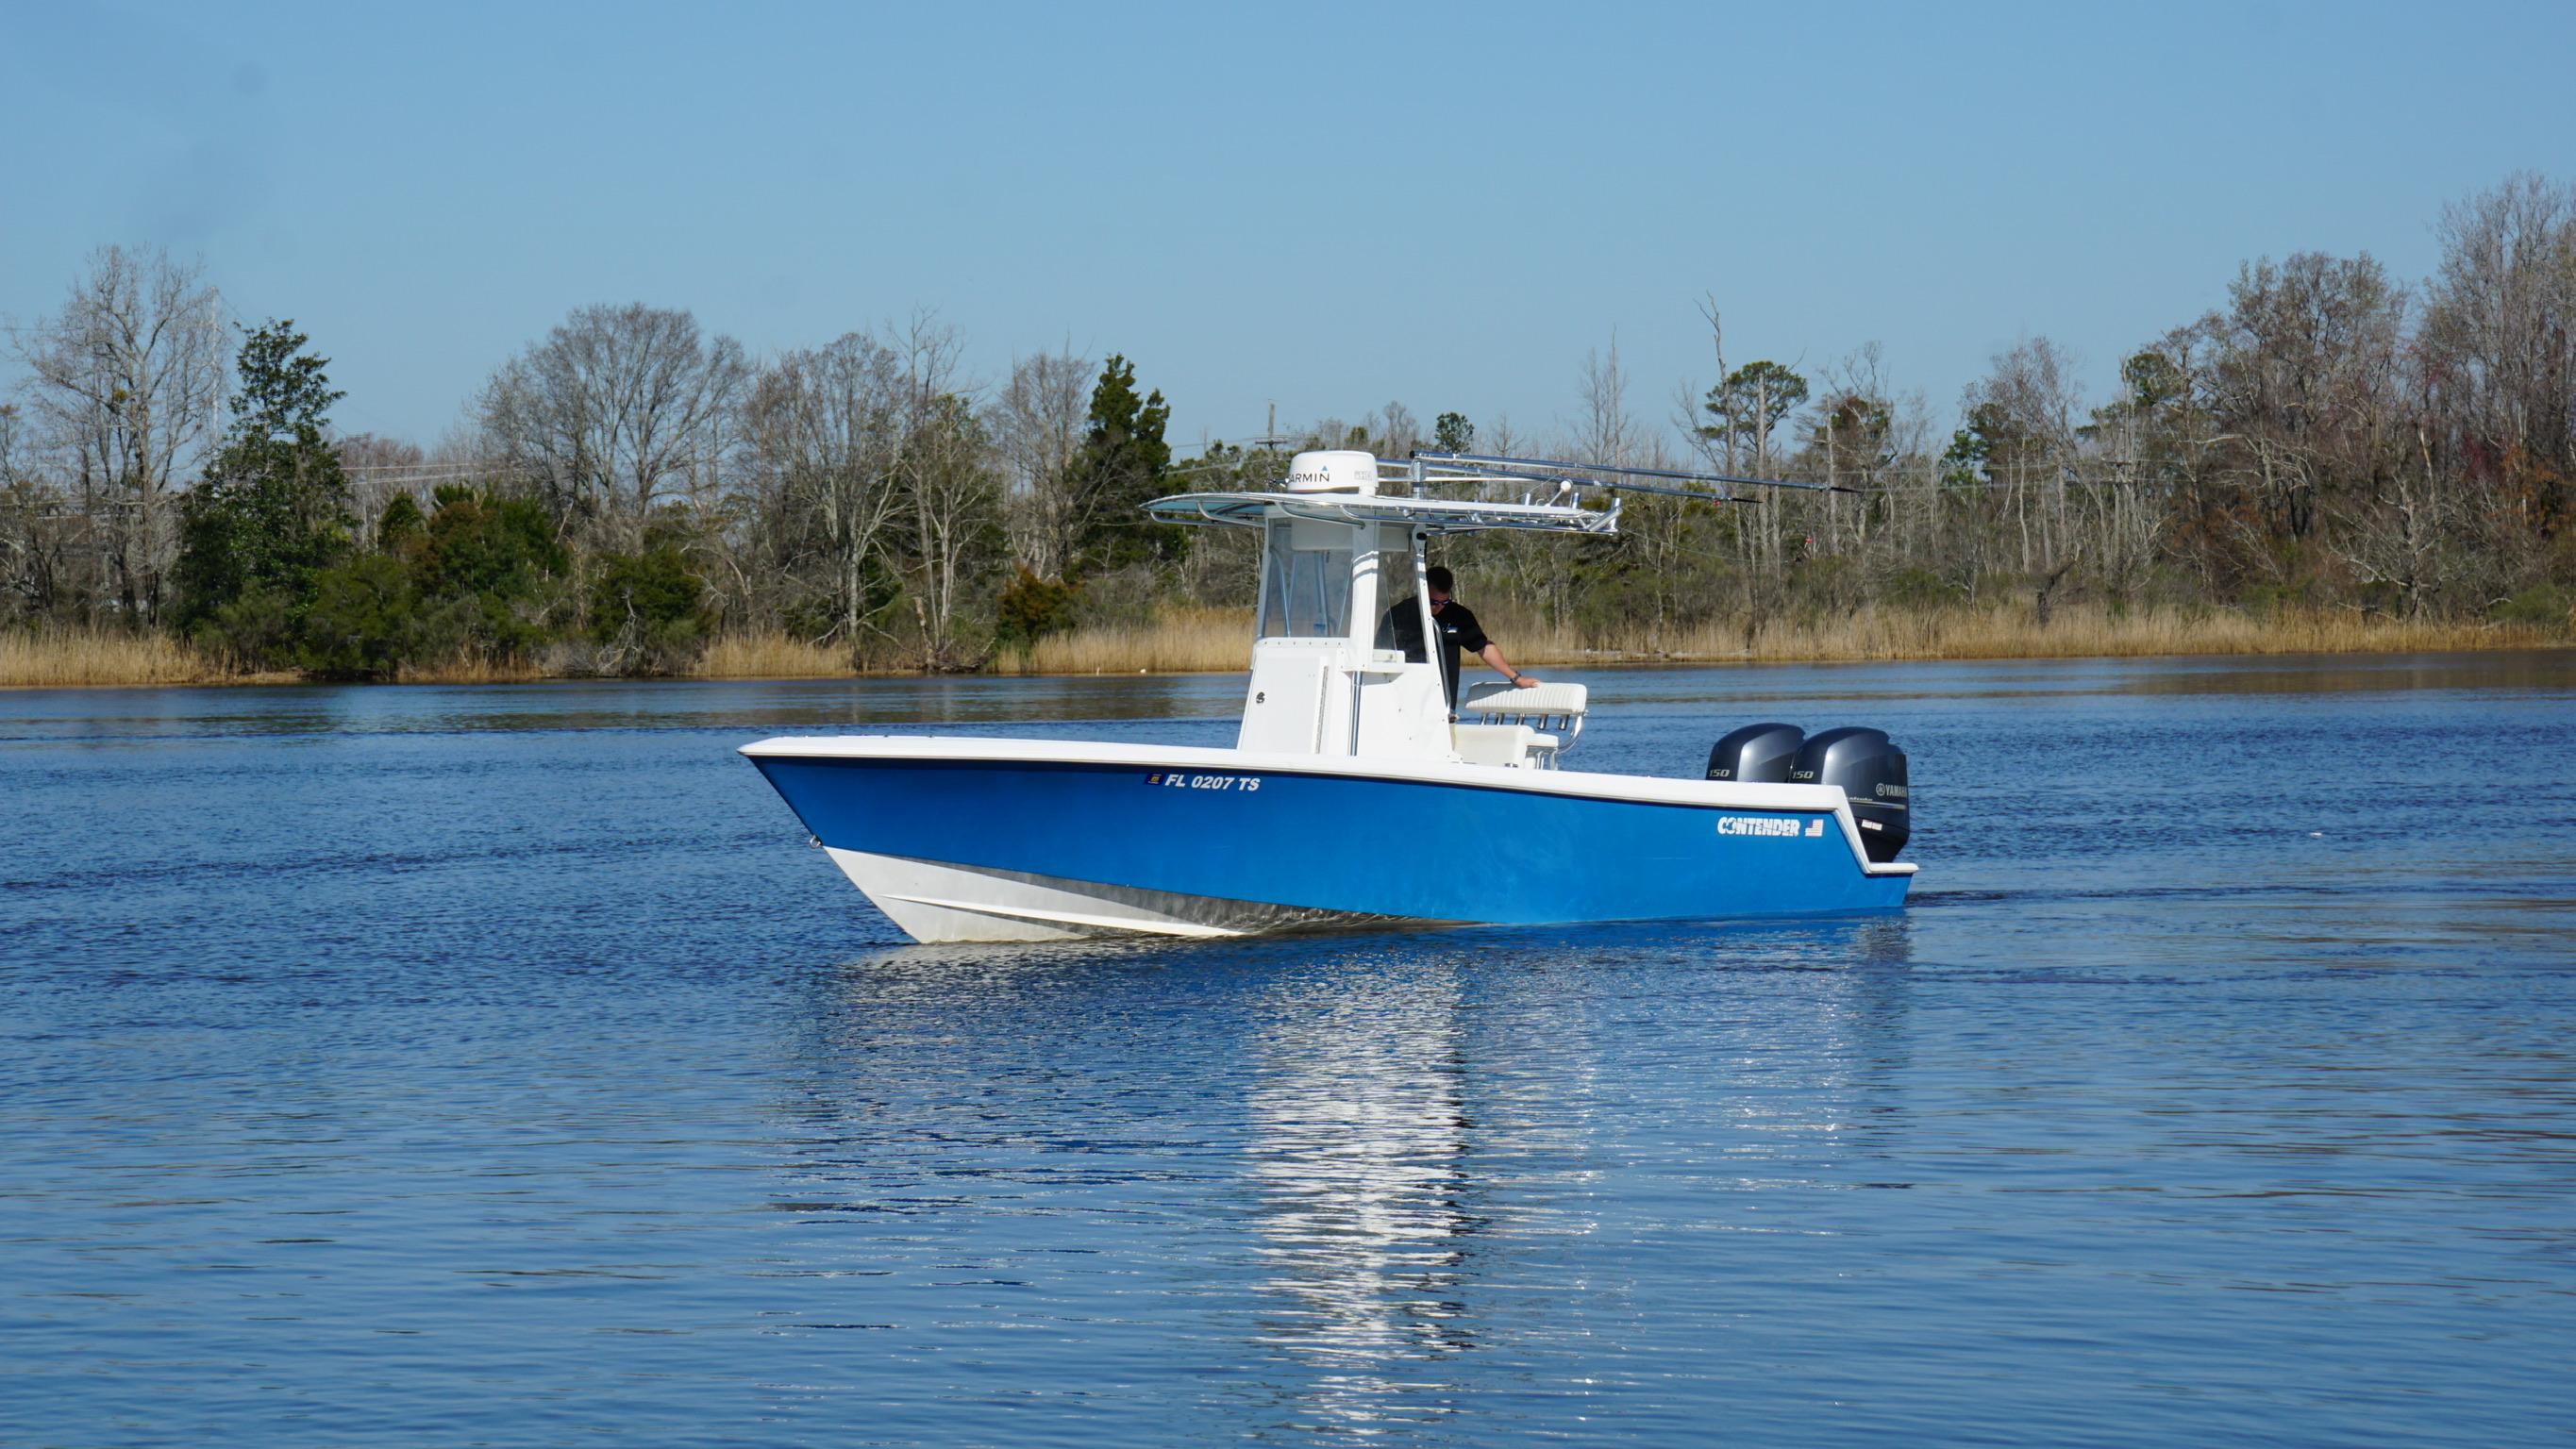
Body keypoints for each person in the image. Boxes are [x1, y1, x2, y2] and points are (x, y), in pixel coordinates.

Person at [1378, 566, 1539, 709]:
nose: (1439, 608)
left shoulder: (1459, 615)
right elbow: (1379, 654)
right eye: (1433, 602)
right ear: (1422, 591)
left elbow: (1484, 647)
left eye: (1445, 602)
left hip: (1443, 703)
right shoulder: (1398, 615)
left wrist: (1516, 677)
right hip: (1402, 699)